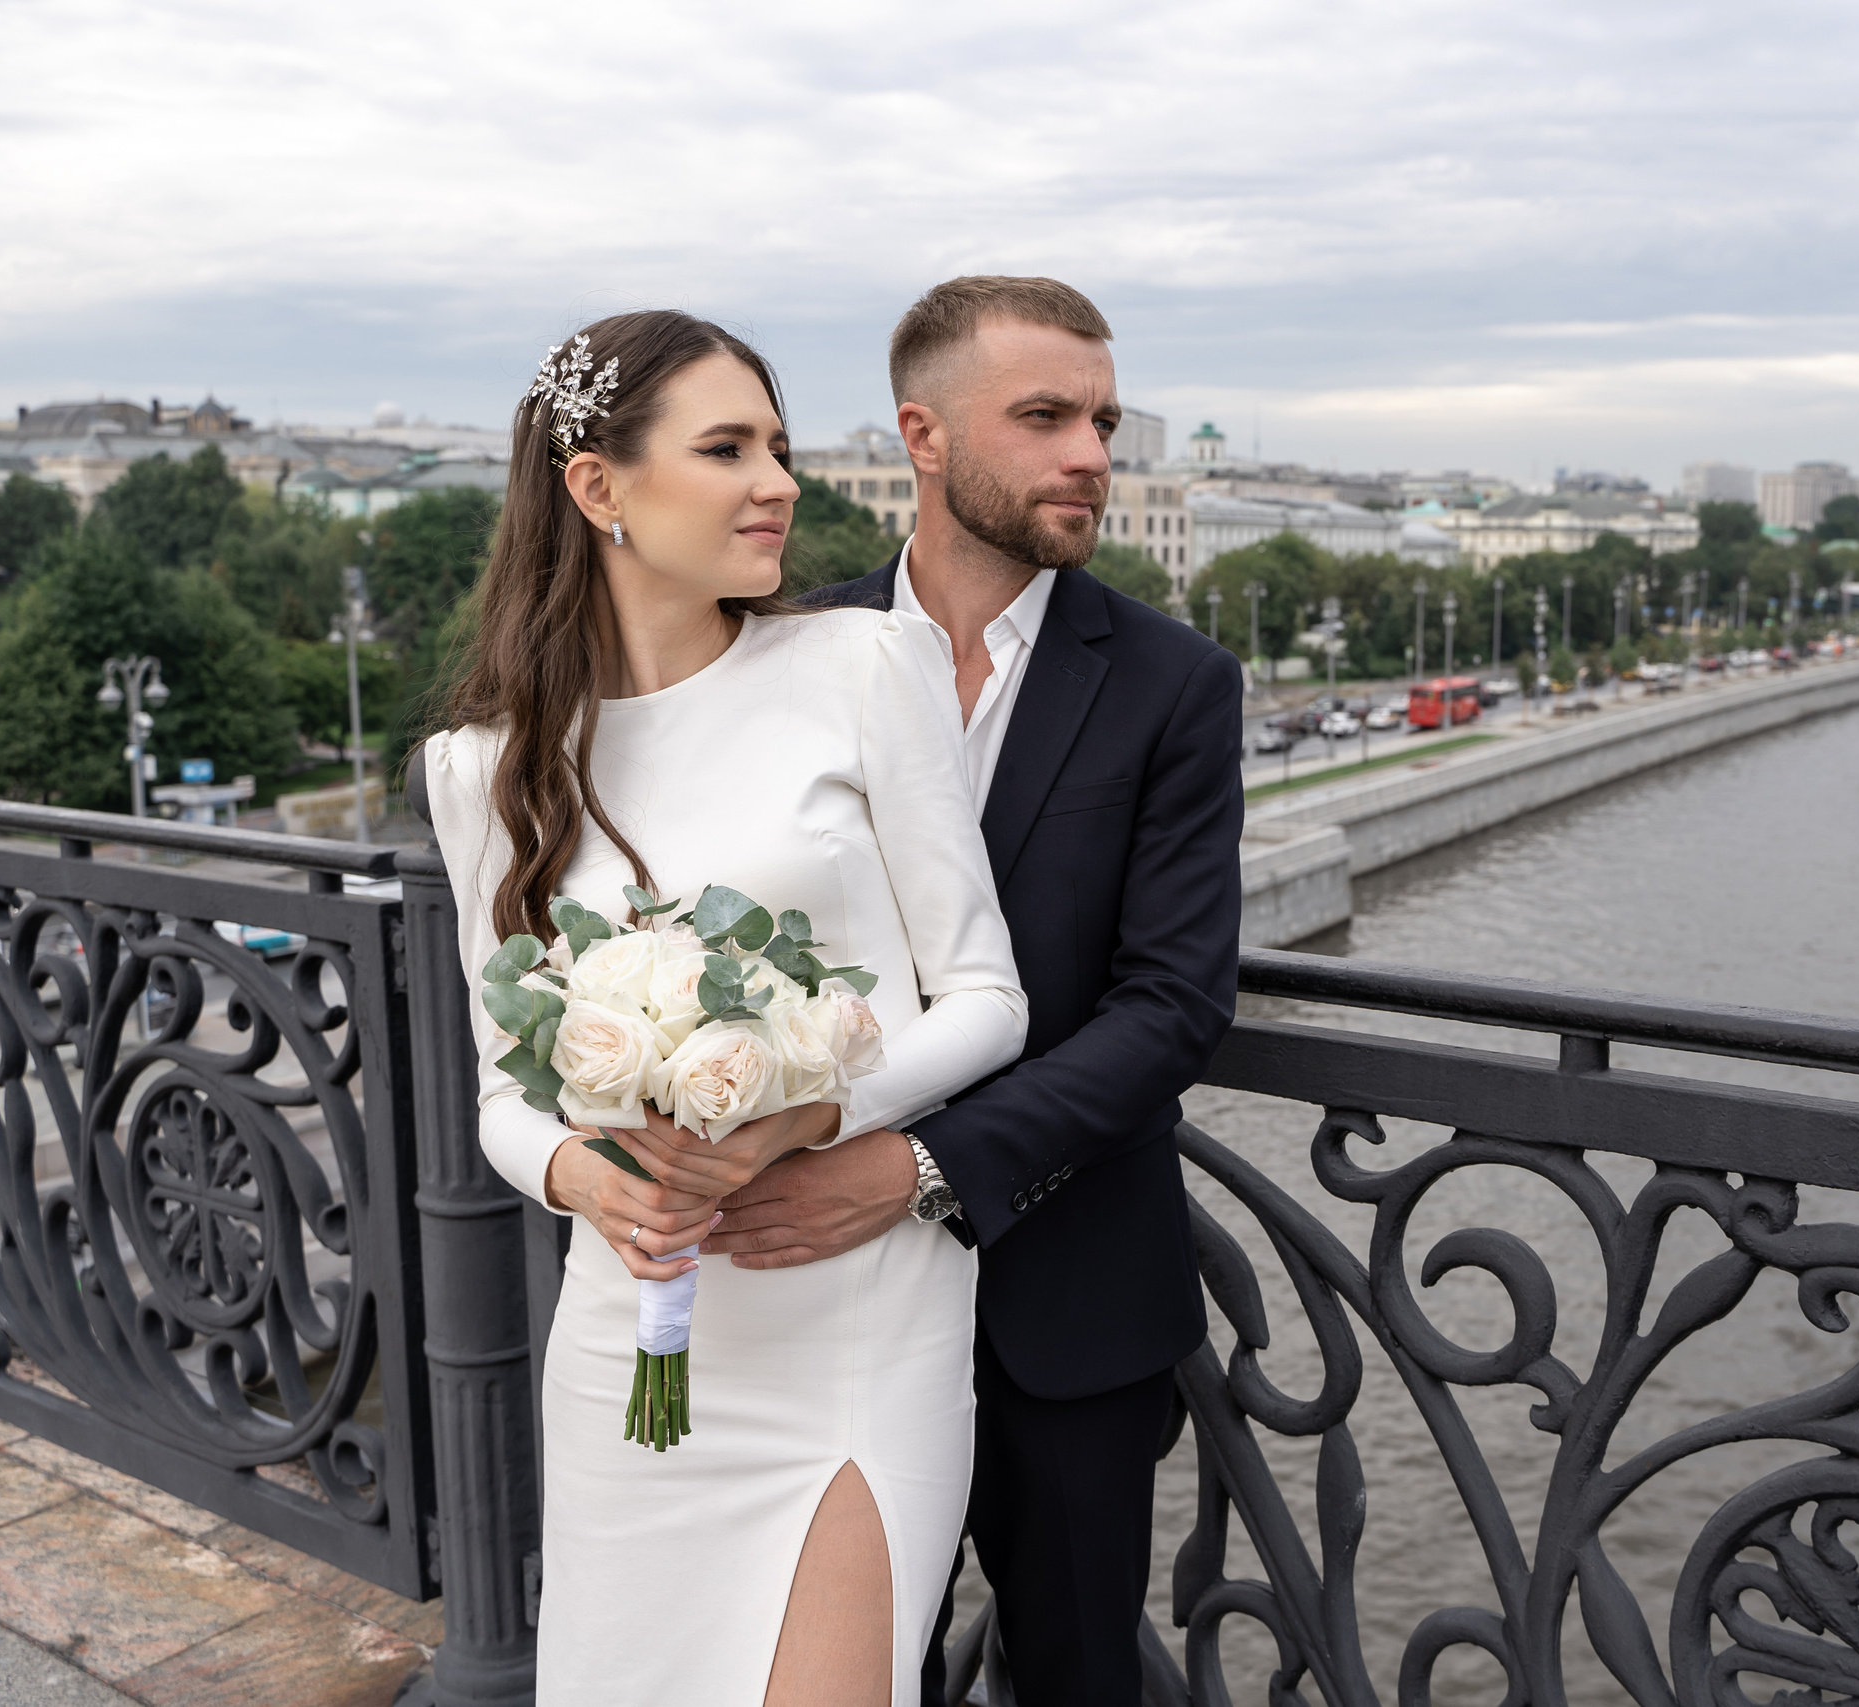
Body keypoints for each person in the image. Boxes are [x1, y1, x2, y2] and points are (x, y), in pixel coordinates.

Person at [424, 309, 1028, 1706]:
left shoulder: (863, 667)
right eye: (727, 448)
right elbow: (503, 1101)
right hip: (630, 1337)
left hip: (855, 1324)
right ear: (598, 488)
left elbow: (990, 999)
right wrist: (592, 1176)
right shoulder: (483, 768)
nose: (782, 482)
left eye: (779, 445)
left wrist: (818, 1106)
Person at [700, 276, 1244, 1706]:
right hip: (819, 1306)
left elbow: (1174, 1006)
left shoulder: (1175, 684)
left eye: (1106, 422)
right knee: (834, 1674)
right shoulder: (773, 654)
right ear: (924, 437)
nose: (1094, 455)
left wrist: (917, 1166)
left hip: (1068, 1312)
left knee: (1072, 1678)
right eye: (1047, 417)